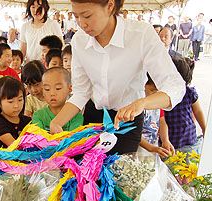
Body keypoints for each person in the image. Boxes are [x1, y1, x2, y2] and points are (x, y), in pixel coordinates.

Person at [50, 0, 185, 155]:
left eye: (87, 16)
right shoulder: (79, 40)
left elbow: (175, 86)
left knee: (122, 173)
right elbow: (81, 92)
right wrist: (57, 122)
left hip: (128, 120)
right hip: (95, 119)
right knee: (89, 172)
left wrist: (142, 103)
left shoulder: (140, 35)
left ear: (110, 6)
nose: (82, 24)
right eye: (76, 16)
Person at [164, 56, 206, 155]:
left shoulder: (189, 93)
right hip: (169, 140)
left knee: (188, 166)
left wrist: (205, 129)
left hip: (189, 138)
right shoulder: (162, 95)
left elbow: (198, 111)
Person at [138, 74, 174, 159]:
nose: (155, 95)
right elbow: (134, 132)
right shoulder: (137, 105)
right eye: (152, 90)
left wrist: (165, 140)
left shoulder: (157, 103)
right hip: (138, 148)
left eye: (159, 92)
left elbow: (162, 122)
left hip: (153, 145)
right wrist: (151, 148)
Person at [0, 76, 31, 148]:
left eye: (20, 100)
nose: (16, 106)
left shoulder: (28, 121)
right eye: (10, 102)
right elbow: (15, 146)